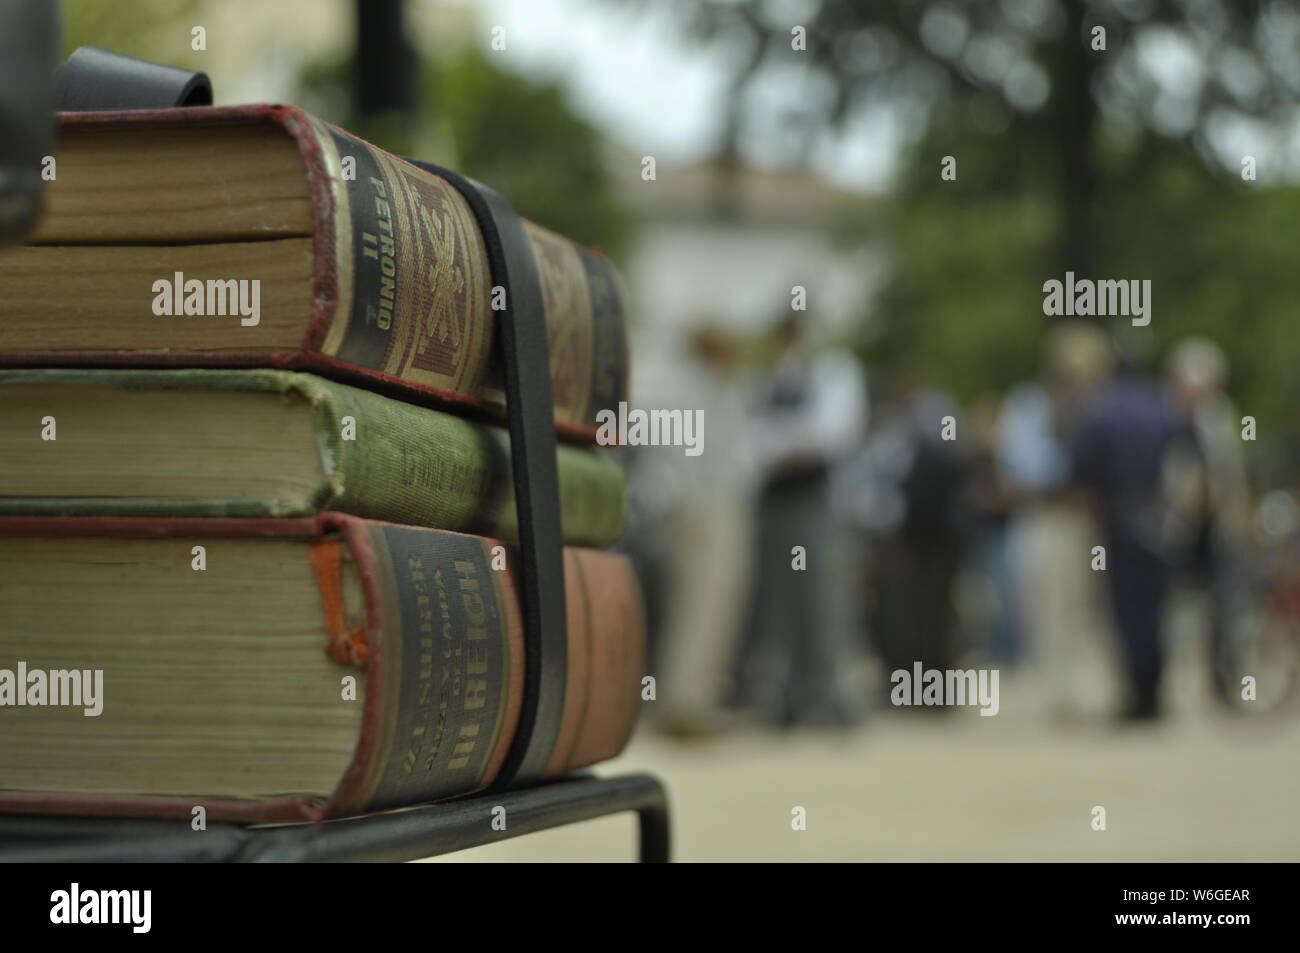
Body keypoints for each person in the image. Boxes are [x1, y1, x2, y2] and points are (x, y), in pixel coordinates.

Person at [731, 313, 866, 726]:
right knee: (781, 600)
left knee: (820, 596)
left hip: (812, 499)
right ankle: (787, 693)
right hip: (776, 502)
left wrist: (783, 444)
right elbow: (750, 441)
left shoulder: (832, 371)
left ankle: (823, 690)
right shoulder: (771, 379)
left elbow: (831, 433)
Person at [1072, 347, 1195, 721]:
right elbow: (1193, 452)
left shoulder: (1102, 411)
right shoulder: (1165, 407)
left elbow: (1080, 466)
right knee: (1157, 610)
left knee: (1126, 611)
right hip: (1158, 516)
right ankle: (1155, 694)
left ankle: (1136, 698)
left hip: (1118, 518)